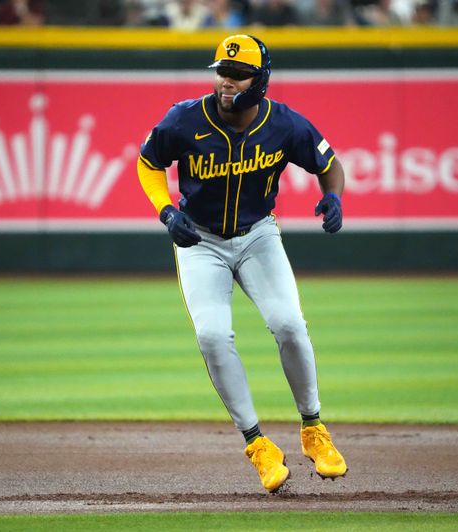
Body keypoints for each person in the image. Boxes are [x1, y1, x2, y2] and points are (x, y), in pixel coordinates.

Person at [137, 34, 347, 493]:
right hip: (199, 240)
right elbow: (148, 161)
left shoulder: (283, 124)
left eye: (237, 74)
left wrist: (332, 195)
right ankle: (258, 445)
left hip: (258, 236)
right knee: (212, 336)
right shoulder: (185, 119)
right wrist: (166, 210)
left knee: (290, 324)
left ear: (260, 80)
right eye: (221, 72)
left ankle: (314, 430)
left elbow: (329, 163)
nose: (226, 81)